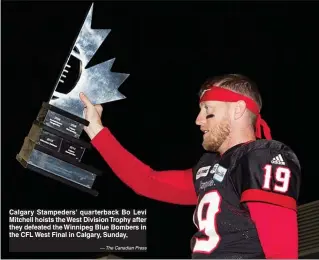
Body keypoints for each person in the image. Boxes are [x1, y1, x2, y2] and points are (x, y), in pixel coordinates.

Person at [79, 74, 301, 259]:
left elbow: (282, 251)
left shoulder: (263, 157)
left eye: (207, 109)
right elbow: (147, 182)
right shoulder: (209, 167)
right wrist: (96, 131)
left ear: (237, 109)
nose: (198, 119)